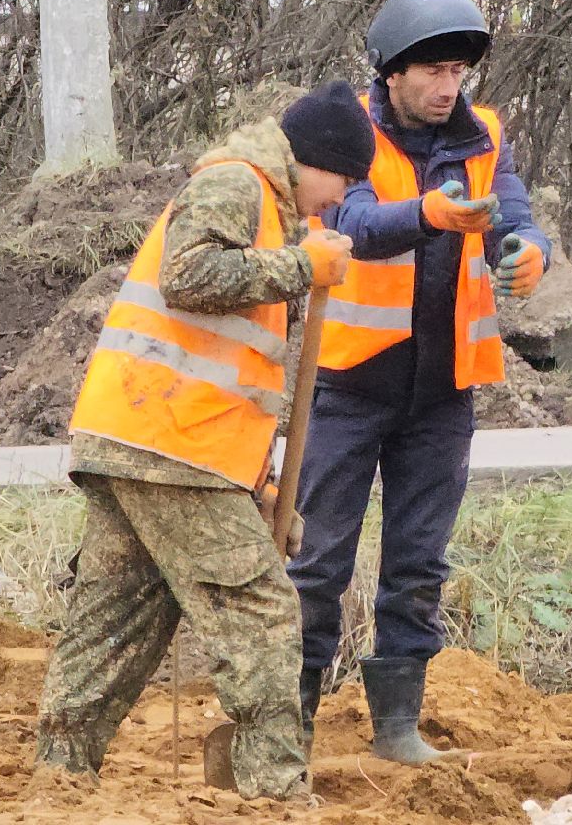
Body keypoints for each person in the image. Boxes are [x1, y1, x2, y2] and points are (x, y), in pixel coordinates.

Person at [34, 81, 374, 799]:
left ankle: (59, 776)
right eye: (342, 180)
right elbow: (189, 275)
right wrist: (304, 270)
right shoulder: (236, 183)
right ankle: (276, 791)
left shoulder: (264, 207)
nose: (337, 200)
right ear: (311, 160)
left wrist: (255, 487)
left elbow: (232, 372)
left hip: (147, 440)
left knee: (118, 613)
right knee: (261, 610)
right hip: (170, 444)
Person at [290, 0, 553, 765]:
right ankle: (289, 721)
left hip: (443, 390)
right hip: (349, 383)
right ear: (392, 72)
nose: (448, 88)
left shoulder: (483, 136)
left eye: (457, 73)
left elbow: (514, 209)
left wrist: (529, 249)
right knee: (316, 560)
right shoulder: (350, 138)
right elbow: (356, 223)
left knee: (417, 563)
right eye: (432, 73)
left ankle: (397, 724)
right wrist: (431, 215)